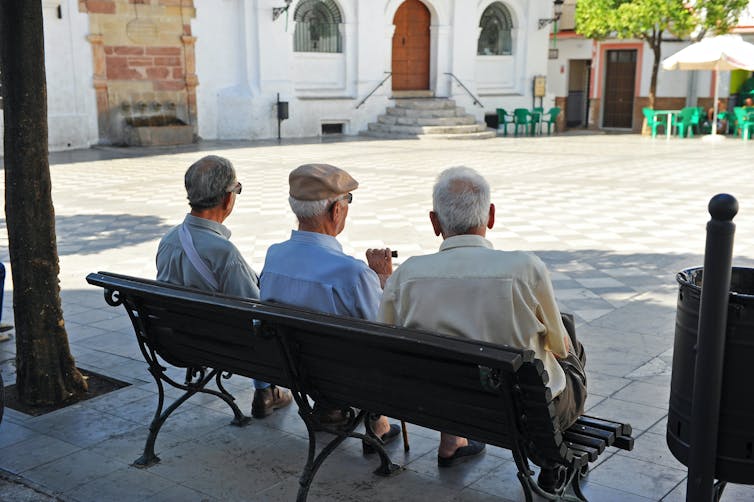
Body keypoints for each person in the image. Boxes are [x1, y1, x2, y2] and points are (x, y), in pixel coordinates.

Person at [378, 167, 587, 482]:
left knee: (446, 357)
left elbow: (389, 347)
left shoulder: (405, 275)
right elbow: (559, 348)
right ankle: (550, 458)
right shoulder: (525, 267)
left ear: (435, 222)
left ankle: (452, 439)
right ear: (490, 215)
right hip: (526, 411)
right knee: (570, 343)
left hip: (440, 402)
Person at [260, 163, 401, 451]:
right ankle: (378, 424)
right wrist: (383, 279)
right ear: (336, 211)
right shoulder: (353, 273)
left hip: (291, 369)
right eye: (347, 202)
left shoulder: (274, 257)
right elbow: (384, 334)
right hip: (342, 379)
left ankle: (339, 412)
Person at [156, 155, 292, 418]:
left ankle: (265, 390)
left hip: (177, 341)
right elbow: (257, 313)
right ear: (228, 198)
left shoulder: (169, 240)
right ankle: (267, 390)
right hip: (222, 347)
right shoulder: (224, 253)